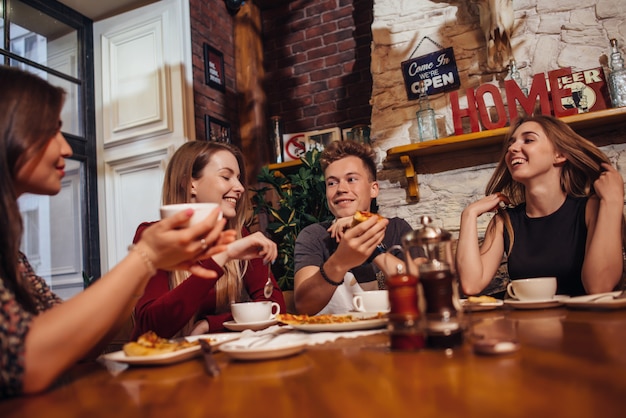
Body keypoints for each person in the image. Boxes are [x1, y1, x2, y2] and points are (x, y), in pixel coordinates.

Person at [0, 66, 233, 397]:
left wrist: (148, 264)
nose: (66, 149)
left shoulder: (14, 255)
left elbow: (81, 345)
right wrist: (145, 257)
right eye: (52, 131)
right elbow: (27, 361)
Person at [456, 115, 625, 297]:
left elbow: (599, 287)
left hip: (586, 324)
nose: (512, 148)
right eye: (511, 144)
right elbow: (471, 285)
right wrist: (469, 214)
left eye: (528, 140)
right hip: (527, 324)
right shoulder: (504, 222)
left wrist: (613, 201)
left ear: (559, 155)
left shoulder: (590, 209)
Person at [131, 141, 285, 339]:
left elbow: (275, 308)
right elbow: (150, 329)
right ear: (190, 184)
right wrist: (222, 257)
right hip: (160, 363)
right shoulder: (152, 236)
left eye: (238, 178)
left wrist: (209, 325)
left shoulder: (239, 235)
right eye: (226, 176)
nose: (239, 188)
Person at [294, 140, 418, 315]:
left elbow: (422, 290)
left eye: (351, 179)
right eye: (332, 183)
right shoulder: (314, 236)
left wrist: (365, 235)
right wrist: (340, 261)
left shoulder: (397, 228)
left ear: (373, 189)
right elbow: (304, 306)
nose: (341, 189)